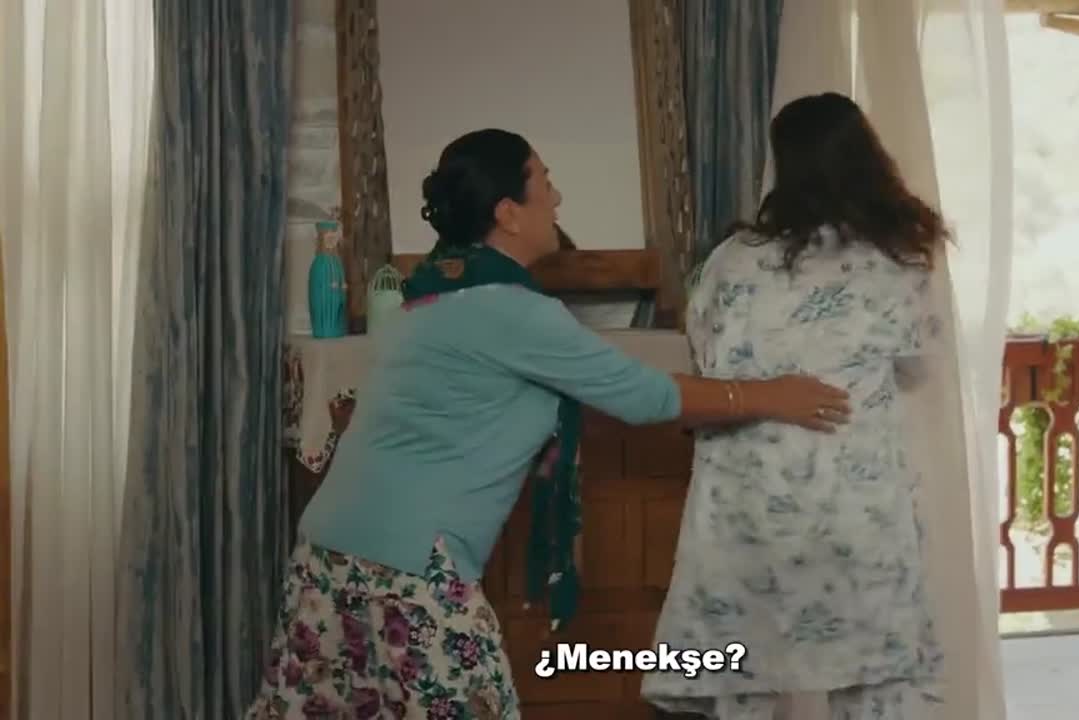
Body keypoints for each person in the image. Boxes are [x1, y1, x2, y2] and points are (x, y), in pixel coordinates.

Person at [245, 127, 853, 719]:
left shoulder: (423, 299)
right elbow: (643, 395)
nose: (557, 199)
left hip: (326, 553)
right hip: (412, 571)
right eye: (545, 182)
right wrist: (770, 395)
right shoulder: (514, 312)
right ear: (508, 212)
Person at [641, 93, 959, 720]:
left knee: (740, 679)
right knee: (876, 684)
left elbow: (705, 360)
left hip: (746, 504)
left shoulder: (732, 260)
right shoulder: (896, 258)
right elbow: (918, 364)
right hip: (855, 507)